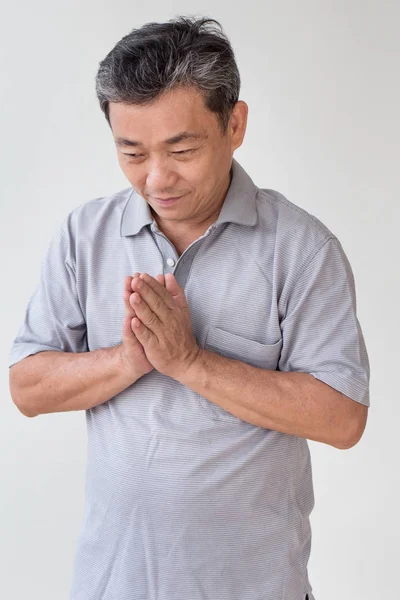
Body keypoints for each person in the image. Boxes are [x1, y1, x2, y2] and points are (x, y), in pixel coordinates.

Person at [8, 15, 370, 600]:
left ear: (235, 124)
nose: (156, 178)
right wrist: (126, 362)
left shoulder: (302, 249)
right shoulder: (83, 235)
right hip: (111, 586)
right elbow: (27, 387)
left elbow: (343, 418)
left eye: (181, 148)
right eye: (132, 152)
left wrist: (191, 361)